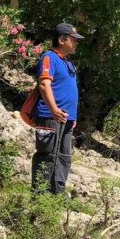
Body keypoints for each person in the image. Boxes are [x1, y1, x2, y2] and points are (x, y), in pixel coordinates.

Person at [31, 23, 83, 194]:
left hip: (66, 118)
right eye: (74, 40)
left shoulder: (68, 62)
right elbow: (44, 84)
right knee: (47, 155)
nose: (76, 43)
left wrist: (73, 116)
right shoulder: (49, 57)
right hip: (50, 115)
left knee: (64, 156)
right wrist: (54, 109)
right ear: (62, 39)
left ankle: (57, 193)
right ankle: (40, 195)